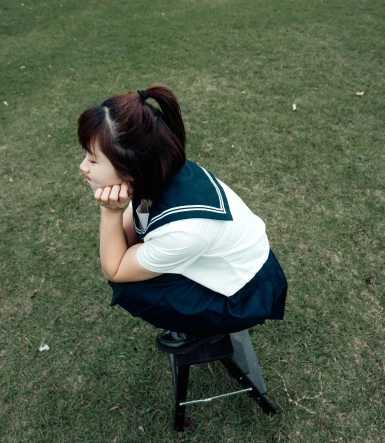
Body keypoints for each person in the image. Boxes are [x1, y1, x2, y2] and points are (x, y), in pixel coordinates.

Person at [77, 84, 287, 354]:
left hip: (246, 295)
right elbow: (129, 237)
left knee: (129, 288)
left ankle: (203, 329)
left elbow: (115, 269)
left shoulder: (183, 232)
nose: (83, 166)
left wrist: (110, 211)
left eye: (93, 160)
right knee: (129, 252)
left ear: (131, 169)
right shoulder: (161, 168)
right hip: (243, 263)